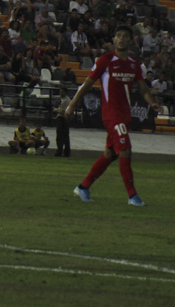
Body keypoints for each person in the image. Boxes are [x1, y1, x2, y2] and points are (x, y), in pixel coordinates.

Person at [66, 25, 159, 206]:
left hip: (124, 115)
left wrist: (152, 102)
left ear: (131, 41)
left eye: (125, 36)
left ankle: (83, 187)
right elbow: (87, 84)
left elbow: (142, 87)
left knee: (110, 154)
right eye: (118, 35)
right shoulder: (104, 61)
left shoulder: (133, 63)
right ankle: (133, 196)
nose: (121, 39)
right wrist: (71, 105)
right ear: (114, 40)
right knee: (125, 149)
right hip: (111, 115)